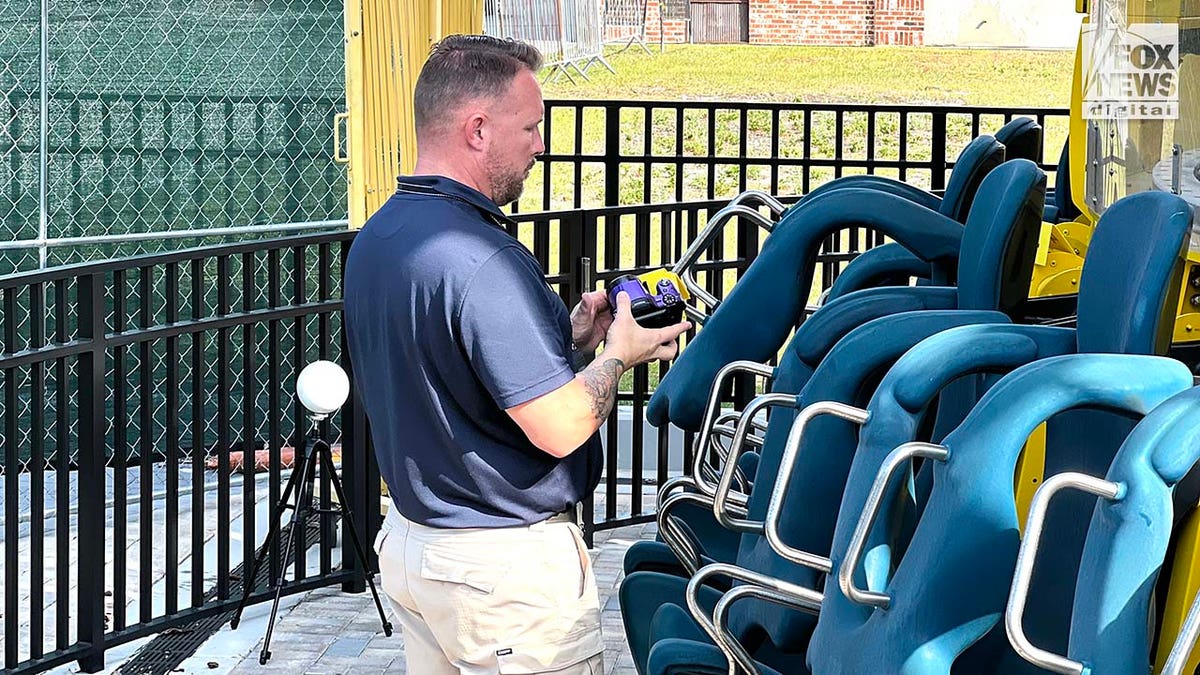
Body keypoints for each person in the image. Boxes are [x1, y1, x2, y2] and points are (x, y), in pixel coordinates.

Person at [342, 35, 691, 674]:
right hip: (502, 580)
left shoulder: (380, 236)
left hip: (419, 554)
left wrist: (574, 339)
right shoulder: (483, 260)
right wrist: (618, 354)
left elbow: (451, 370)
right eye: (530, 126)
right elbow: (560, 427)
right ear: (478, 129)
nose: (540, 144)